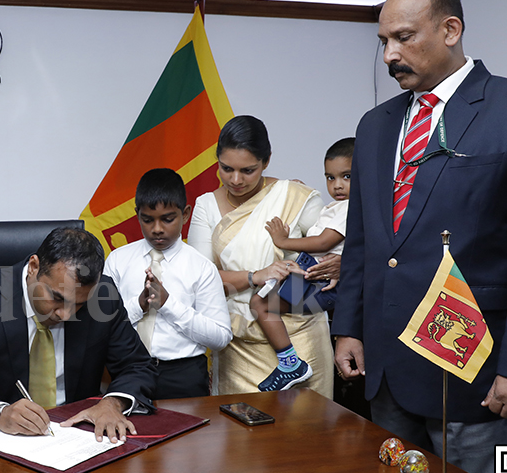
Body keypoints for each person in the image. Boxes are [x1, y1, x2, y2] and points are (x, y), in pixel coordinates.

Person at [332, 0, 507, 473]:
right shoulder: (375, 125)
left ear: (450, 29)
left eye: (403, 37)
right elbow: (364, 241)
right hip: (385, 370)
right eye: (383, 42)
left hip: (477, 372)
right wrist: (348, 327)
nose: (389, 55)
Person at [0, 227, 157, 442]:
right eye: (57, 298)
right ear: (33, 267)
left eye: (79, 304)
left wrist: (112, 403)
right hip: (4, 444)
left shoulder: (103, 298)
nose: (65, 314)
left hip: (77, 440)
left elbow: (138, 366)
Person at [188, 115, 337, 398]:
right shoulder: (206, 206)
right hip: (237, 340)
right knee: (239, 439)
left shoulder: (295, 196)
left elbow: (335, 251)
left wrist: (340, 264)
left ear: (266, 161)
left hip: (300, 335)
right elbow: (199, 280)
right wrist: (255, 276)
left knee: (307, 436)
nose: (235, 180)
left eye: (248, 170)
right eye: (226, 168)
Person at [103, 168, 232, 399]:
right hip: (127, 370)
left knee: (188, 435)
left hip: (184, 375)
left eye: (168, 219)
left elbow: (220, 337)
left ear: (186, 214)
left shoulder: (202, 267)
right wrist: (139, 304)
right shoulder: (117, 261)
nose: (157, 229)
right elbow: (101, 326)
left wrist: (168, 304)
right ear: (137, 214)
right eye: (147, 219)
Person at [251, 138, 353, 390]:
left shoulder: (350, 208)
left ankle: (290, 364)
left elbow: (322, 242)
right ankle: (289, 363)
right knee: (264, 294)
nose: (337, 185)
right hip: (312, 275)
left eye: (347, 176)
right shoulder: (338, 207)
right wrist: (300, 191)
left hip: (323, 284)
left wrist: (284, 240)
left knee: (260, 303)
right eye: (330, 178)